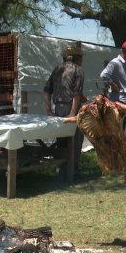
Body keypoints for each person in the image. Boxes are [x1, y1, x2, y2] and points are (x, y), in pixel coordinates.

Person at [43, 42, 85, 178]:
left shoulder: (57, 69)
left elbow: (46, 90)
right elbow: (76, 93)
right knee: (76, 139)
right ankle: (73, 171)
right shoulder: (78, 70)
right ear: (77, 58)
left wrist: (49, 109)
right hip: (71, 107)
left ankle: (61, 170)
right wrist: (73, 112)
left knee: (61, 139)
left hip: (58, 107)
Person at [100, 40, 126, 144]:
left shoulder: (125, 63)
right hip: (119, 101)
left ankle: (125, 147)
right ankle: (121, 150)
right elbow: (104, 75)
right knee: (121, 129)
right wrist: (112, 84)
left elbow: (125, 81)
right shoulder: (115, 62)